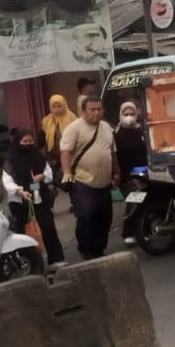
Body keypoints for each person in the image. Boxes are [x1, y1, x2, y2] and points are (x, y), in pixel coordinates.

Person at [59, 95, 120, 260]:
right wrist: (67, 172)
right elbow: (65, 152)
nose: (96, 113)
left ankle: (99, 249)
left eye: (99, 109)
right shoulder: (74, 128)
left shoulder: (106, 127)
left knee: (104, 216)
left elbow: (112, 152)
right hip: (82, 181)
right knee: (87, 215)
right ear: (84, 111)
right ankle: (86, 250)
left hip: (104, 182)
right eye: (92, 110)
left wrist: (116, 172)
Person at [3, 127, 65, 267]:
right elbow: (7, 182)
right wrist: (20, 191)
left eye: (31, 141)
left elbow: (48, 174)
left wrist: (41, 177)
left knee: (48, 227)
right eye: (25, 141)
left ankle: (56, 259)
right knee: (24, 232)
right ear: (18, 142)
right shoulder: (11, 161)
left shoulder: (38, 157)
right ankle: (29, 263)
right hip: (20, 201)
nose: (28, 144)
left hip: (40, 198)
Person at [113, 99, 149, 246]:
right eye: (126, 114)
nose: (129, 117)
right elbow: (115, 156)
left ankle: (143, 231)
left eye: (132, 114)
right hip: (127, 176)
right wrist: (122, 176)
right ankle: (127, 233)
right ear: (121, 115)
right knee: (133, 201)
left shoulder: (141, 130)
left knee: (145, 202)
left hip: (144, 173)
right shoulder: (117, 134)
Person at [40, 94, 77, 185]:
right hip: (54, 154)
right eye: (54, 106)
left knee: (71, 178)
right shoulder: (47, 120)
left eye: (59, 106)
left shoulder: (71, 117)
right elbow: (42, 138)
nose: (57, 109)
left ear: (64, 105)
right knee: (57, 179)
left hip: (70, 152)